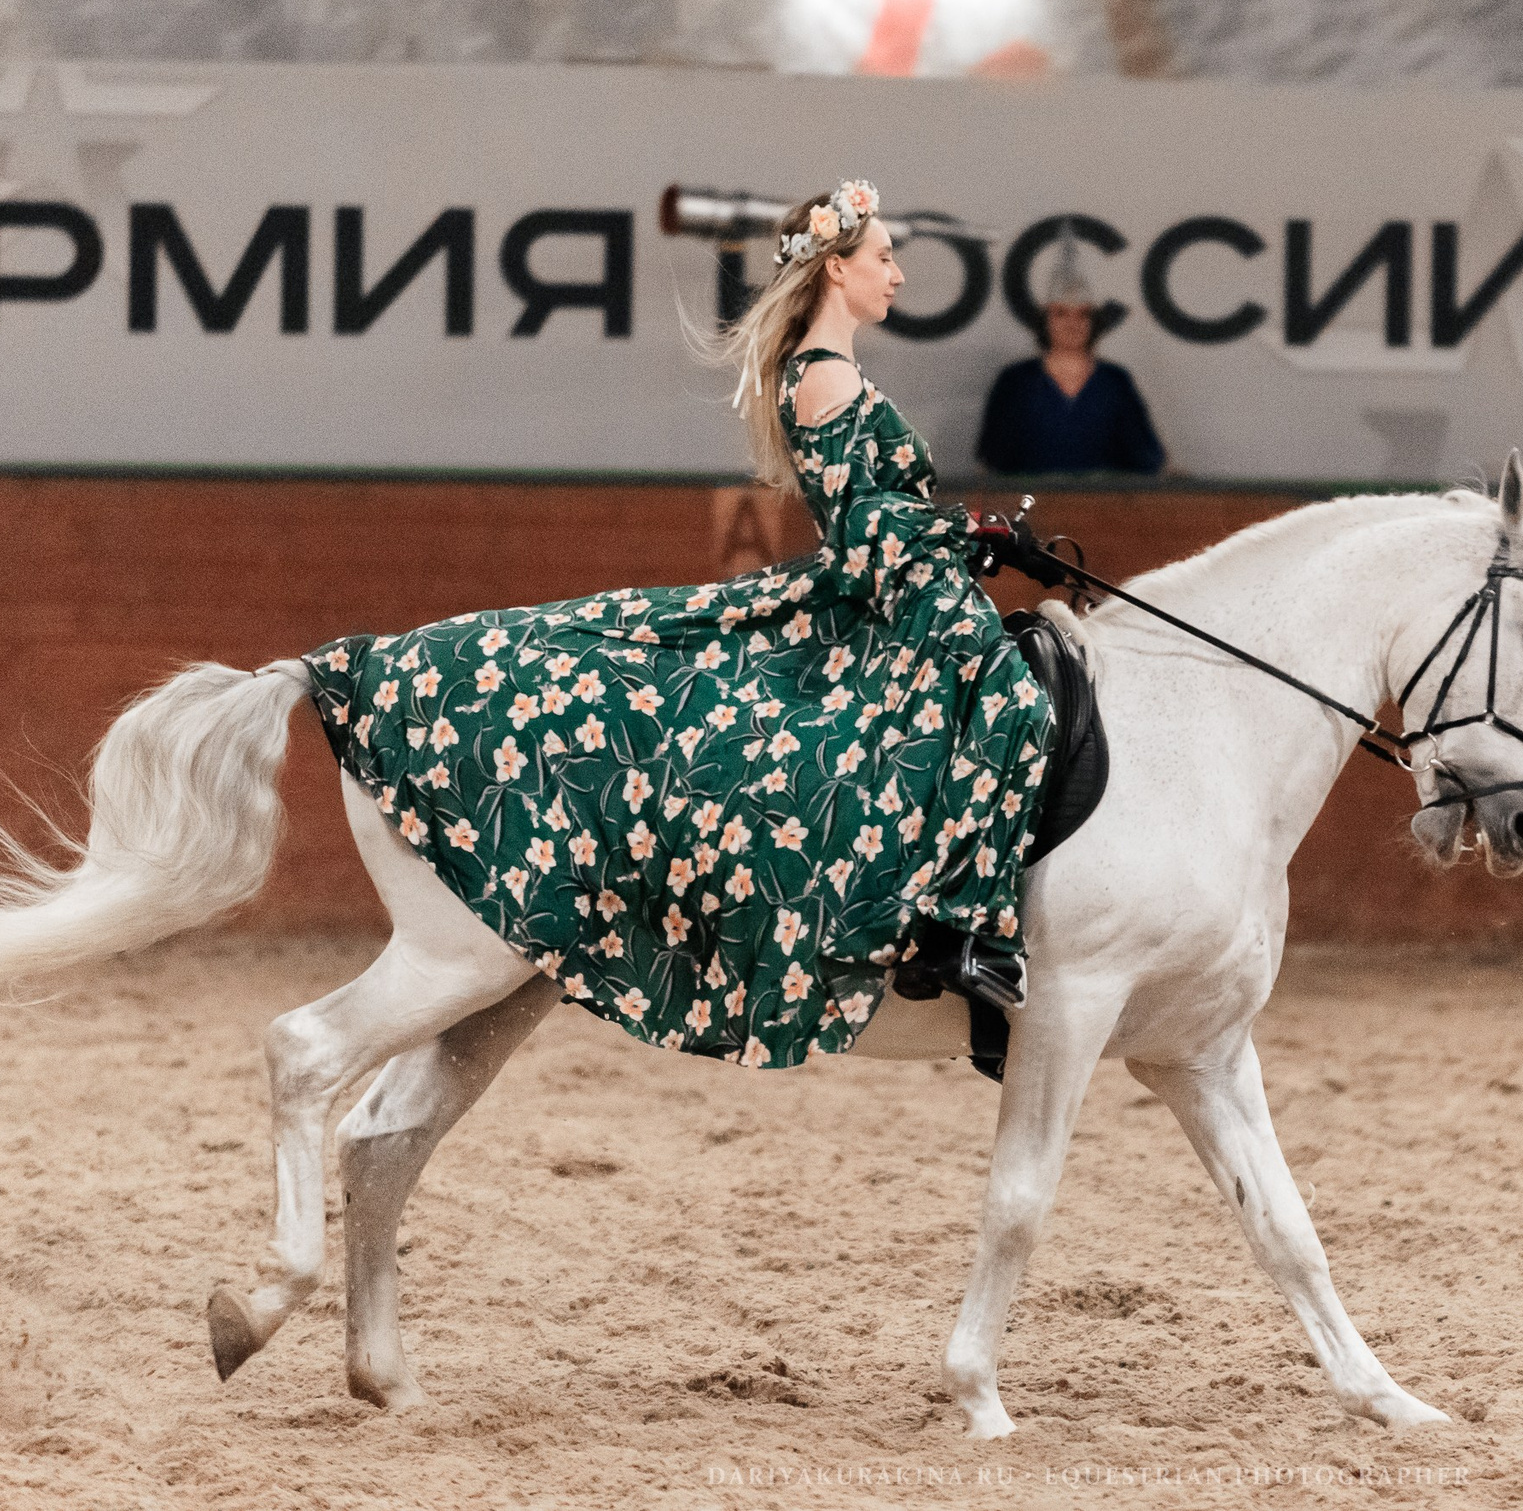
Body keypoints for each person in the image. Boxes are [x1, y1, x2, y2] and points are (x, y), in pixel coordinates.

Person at [301, 180, 1054, 1071]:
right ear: (837, 268)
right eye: (883, 255)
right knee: (1018, 707)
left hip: (923, 591)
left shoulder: (833, 371)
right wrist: (962, 529)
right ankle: (958, 935)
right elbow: (859, 530)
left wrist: (968, 538)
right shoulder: (827, 376)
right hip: (901, 603)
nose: (897, 271)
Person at [975, 228, 1166, 475]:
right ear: (1045, 320)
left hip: (1104, 510)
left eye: (1083, 315)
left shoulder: (1115, 382)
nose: (1072, 324)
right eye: (1061, 314)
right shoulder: (1015, 382)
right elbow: (991, 464)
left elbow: (1147, 459)